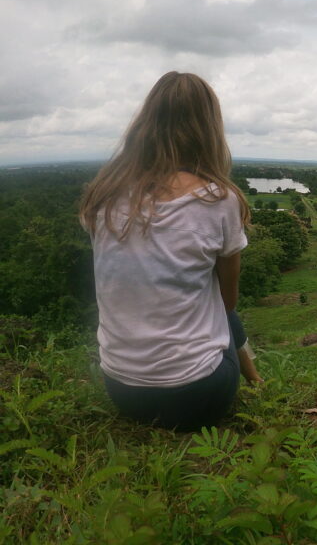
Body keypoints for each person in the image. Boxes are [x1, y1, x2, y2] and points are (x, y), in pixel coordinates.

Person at [80, 71, 263, 431]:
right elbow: (227, 302)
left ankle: (255, 380)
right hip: (196, 393)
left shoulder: (104, 195)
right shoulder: (219, 200)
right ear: (209, 128)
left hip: (122, 390)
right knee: (221, 307)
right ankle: (256, 380)